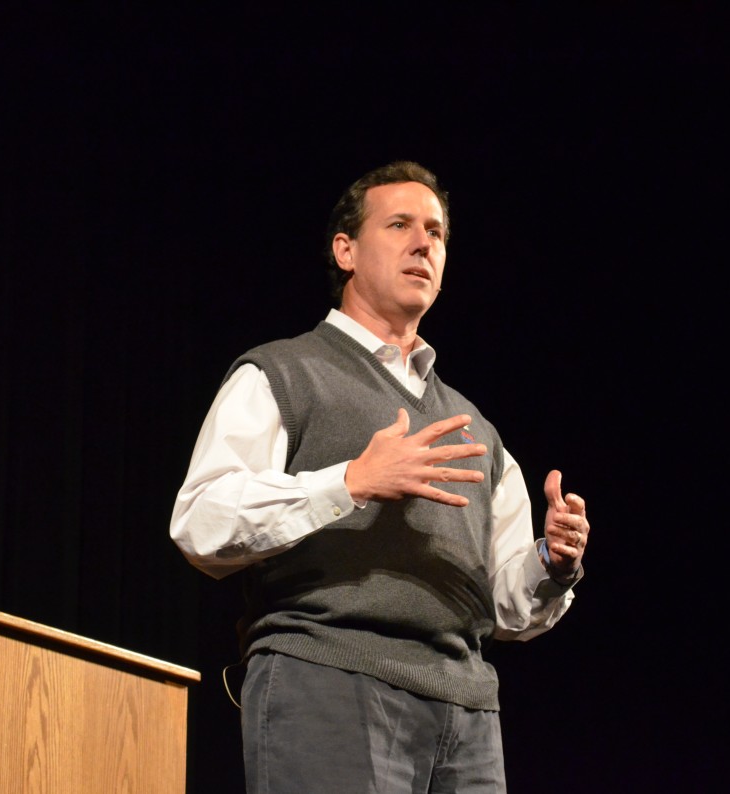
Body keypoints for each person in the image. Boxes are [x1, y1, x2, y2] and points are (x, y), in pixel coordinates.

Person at [170, 161, 591, 793]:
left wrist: (551, 563)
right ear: (345, 250)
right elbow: (201, 523)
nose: (425, 243)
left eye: (437, 232)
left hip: (468, 712)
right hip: (328, 679)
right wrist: (351, 482)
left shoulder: (476, 429)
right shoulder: (282, 374)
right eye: (400, 225)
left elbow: (506, 607)